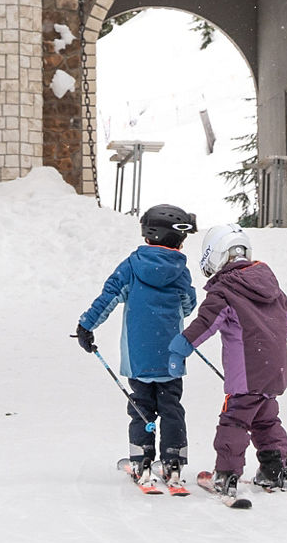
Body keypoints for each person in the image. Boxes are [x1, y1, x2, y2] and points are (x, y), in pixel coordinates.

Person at [173, 226, 287, 495]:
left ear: (215, 256)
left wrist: (183, 345)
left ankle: (226, 475)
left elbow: (206, 323)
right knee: (267, 420)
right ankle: (275, 471)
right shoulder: (270, 286)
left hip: (247, 375)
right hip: (274, 373)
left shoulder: (225, 289)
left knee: (235, 421)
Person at [77, 205, 199, 491]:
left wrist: (86, 327)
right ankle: (173, 461)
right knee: (171, 408)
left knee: (141, 407)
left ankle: (142, 459)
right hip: (171, 355)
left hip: (139, 356)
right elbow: (189, 305)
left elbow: (107, 297)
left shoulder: (131, 265)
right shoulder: (180, 270)